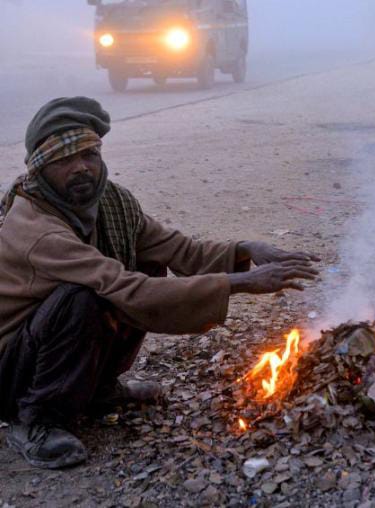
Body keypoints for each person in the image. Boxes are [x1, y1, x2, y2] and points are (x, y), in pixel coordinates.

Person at [0, 97, 319, 469]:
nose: (81, 168)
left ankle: (98, 390)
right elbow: (129, 290)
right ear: (41, 170)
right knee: (80, 298)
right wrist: (244, 282)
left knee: (150, 263)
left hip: (43, 352)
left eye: (89, 155)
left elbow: (179, 250)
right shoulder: (37, 229)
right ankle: (35, 420)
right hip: (12, 371)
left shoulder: (112, 204)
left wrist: (245, 249)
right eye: (65, 160)